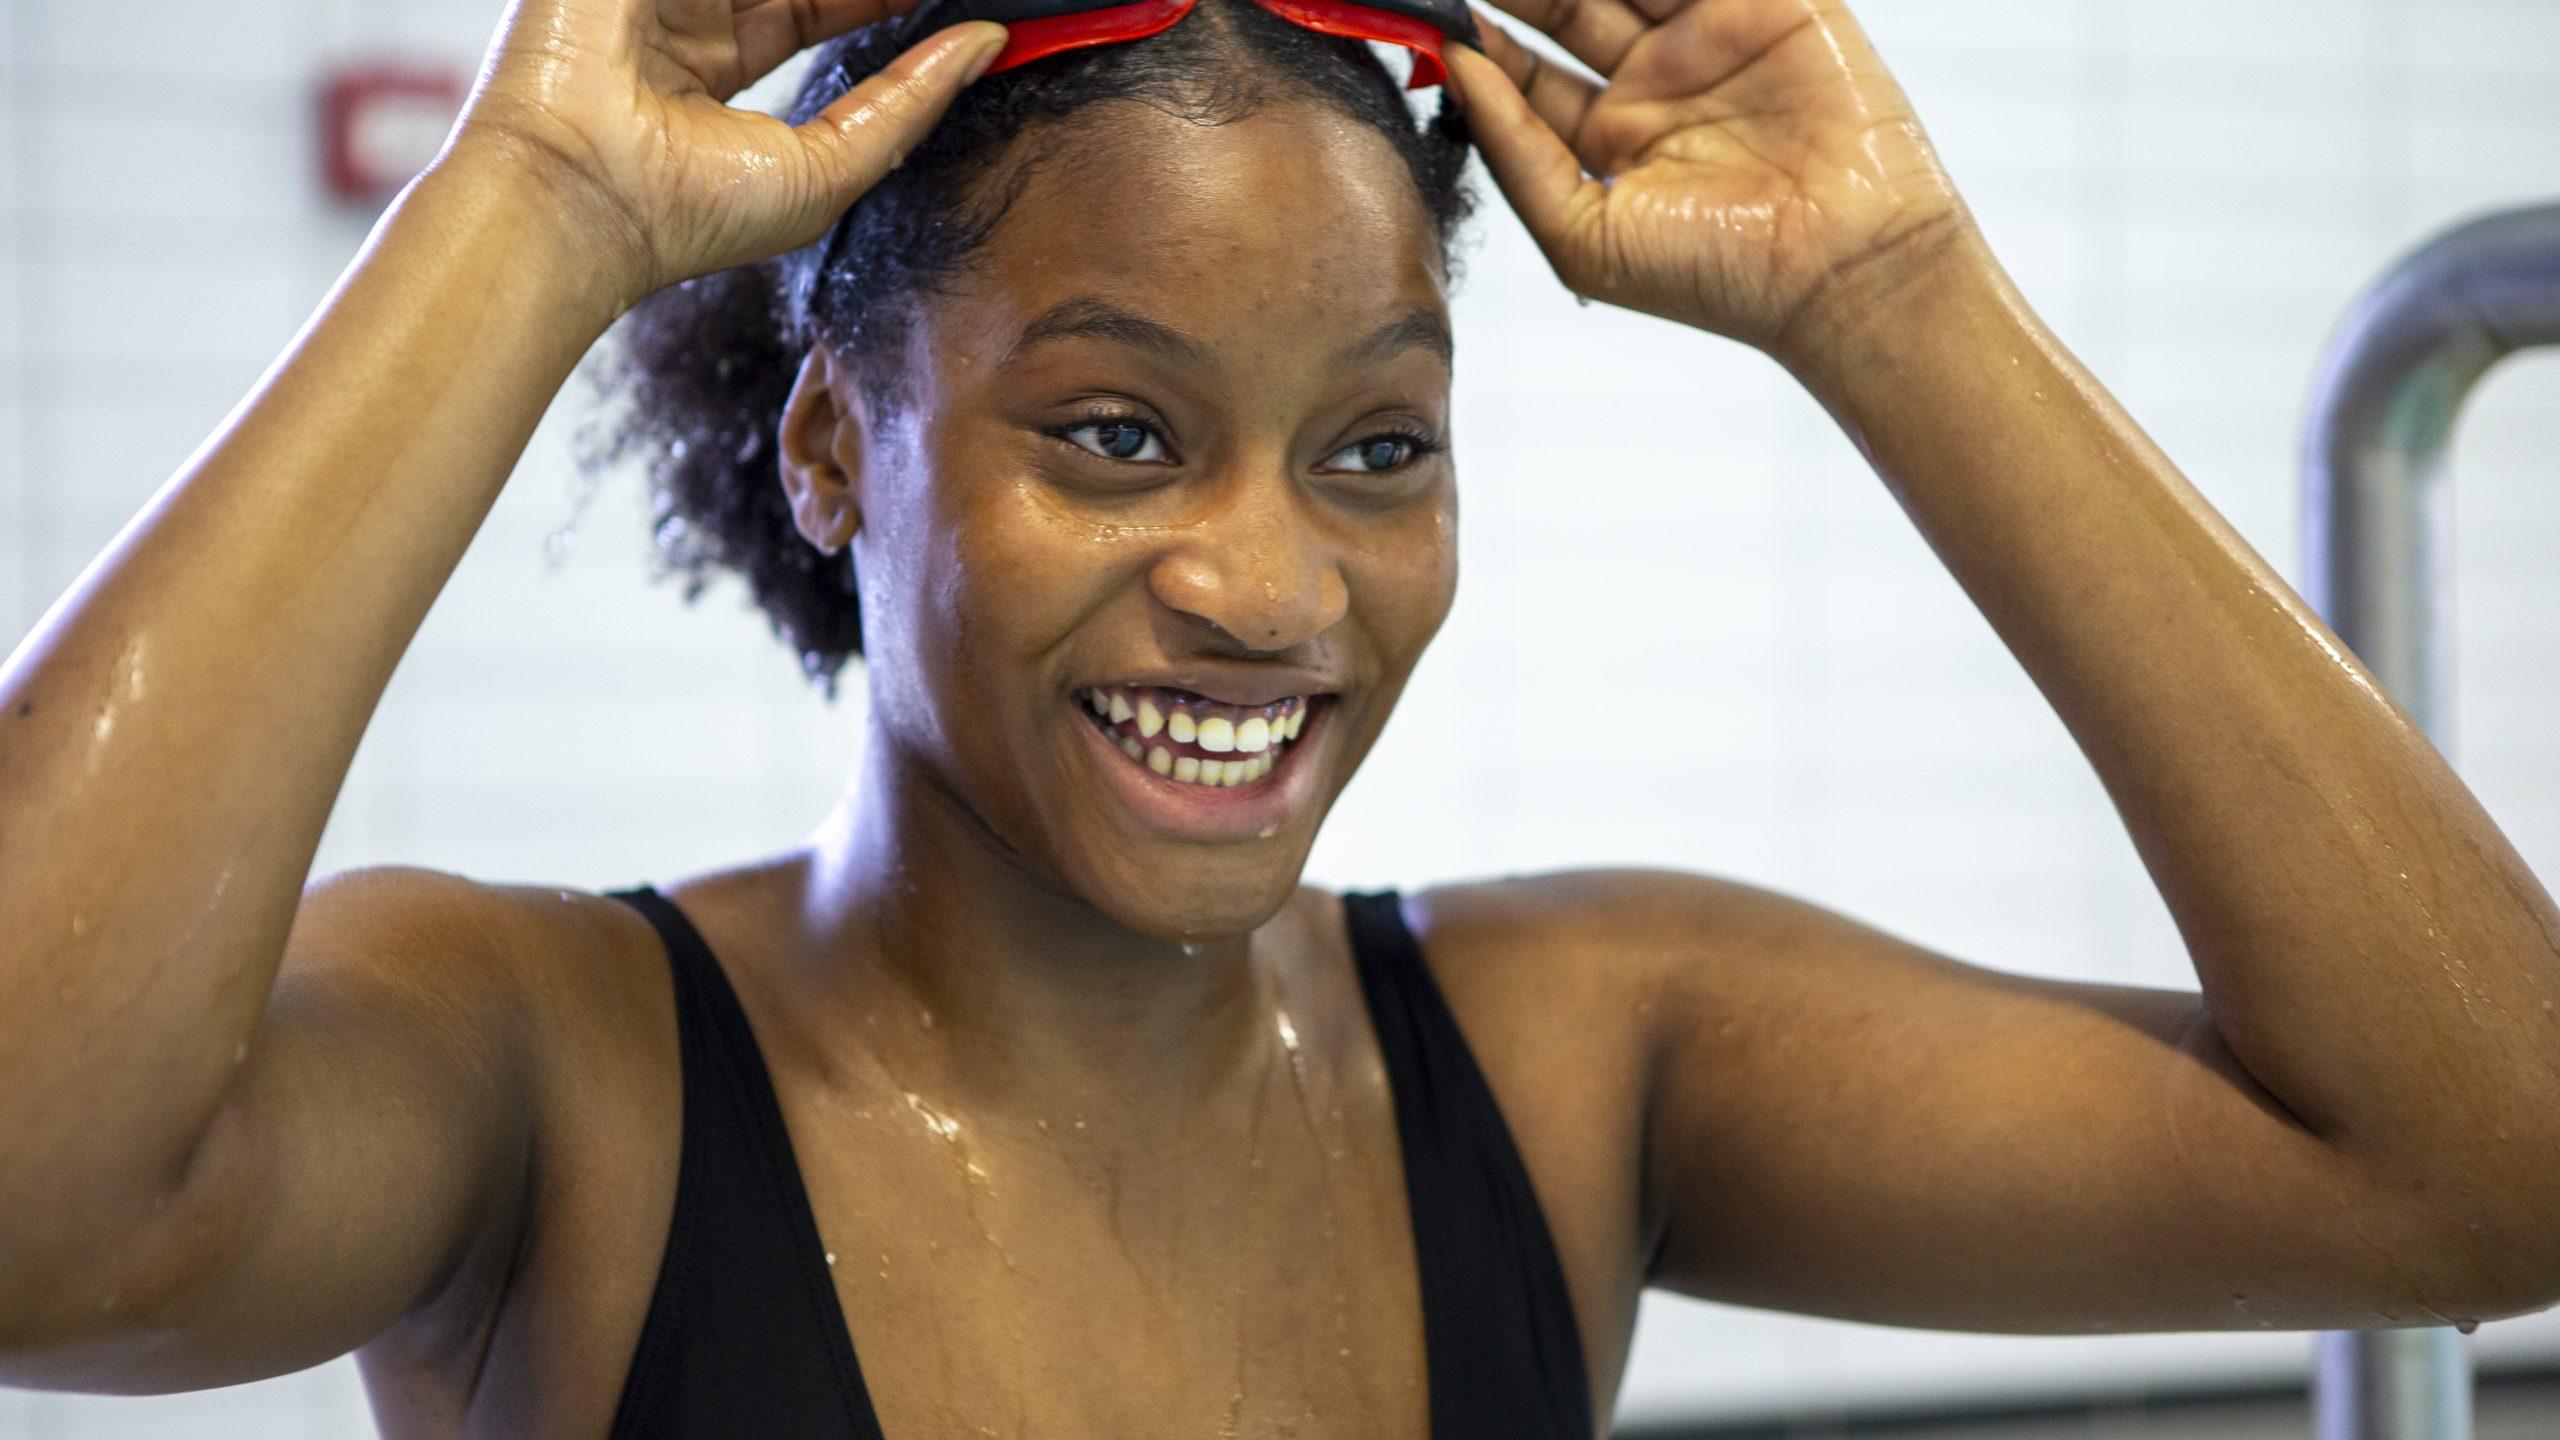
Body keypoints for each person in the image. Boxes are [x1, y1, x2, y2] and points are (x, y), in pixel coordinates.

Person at [2, 0, 2555, 1432]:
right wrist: (530, 211)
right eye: (1108, 431)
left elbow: (2482, 1162)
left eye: (1375, 447)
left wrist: (1890, 289)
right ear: (827, 447)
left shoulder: (1573, 1059)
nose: (1264, 583)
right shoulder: (554, 1074)